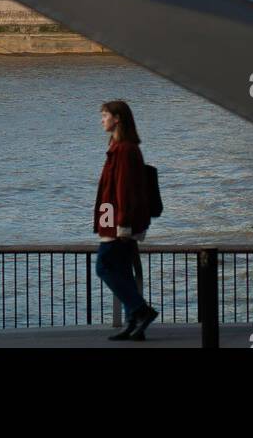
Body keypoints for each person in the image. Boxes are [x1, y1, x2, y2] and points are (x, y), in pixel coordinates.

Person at [94, 100, 157, 341]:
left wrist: (121, 225)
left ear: (117, 118)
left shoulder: (124, 149)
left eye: (105, 115)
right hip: (115, 220)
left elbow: (123, 190)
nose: (102, 120)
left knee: (104, 266)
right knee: (120, 269)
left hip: (120, 223)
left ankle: (141, 310)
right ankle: (133, 322)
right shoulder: (118, 146)